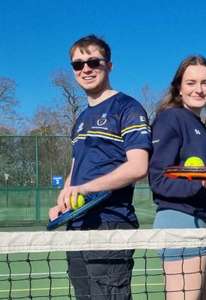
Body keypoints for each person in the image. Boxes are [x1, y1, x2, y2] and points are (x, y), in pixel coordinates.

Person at [48, 34, 152, 300]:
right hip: (77, 225)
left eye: (94, 61)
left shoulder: (127, 107)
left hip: (110, 226)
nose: (86, 69)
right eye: (78, 64)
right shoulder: (81, 119)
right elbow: (76, 167)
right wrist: (65, 200)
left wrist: (84, 188)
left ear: (109, 65)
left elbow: (138, 167)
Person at [149, 55, 206, 300]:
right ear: (178, 87)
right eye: (191, 82)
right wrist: (202, 184)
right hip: (180, 223)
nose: (199, 89)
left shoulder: (205, 131)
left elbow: (200, 184)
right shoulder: (170, 118)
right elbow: (158, 179)